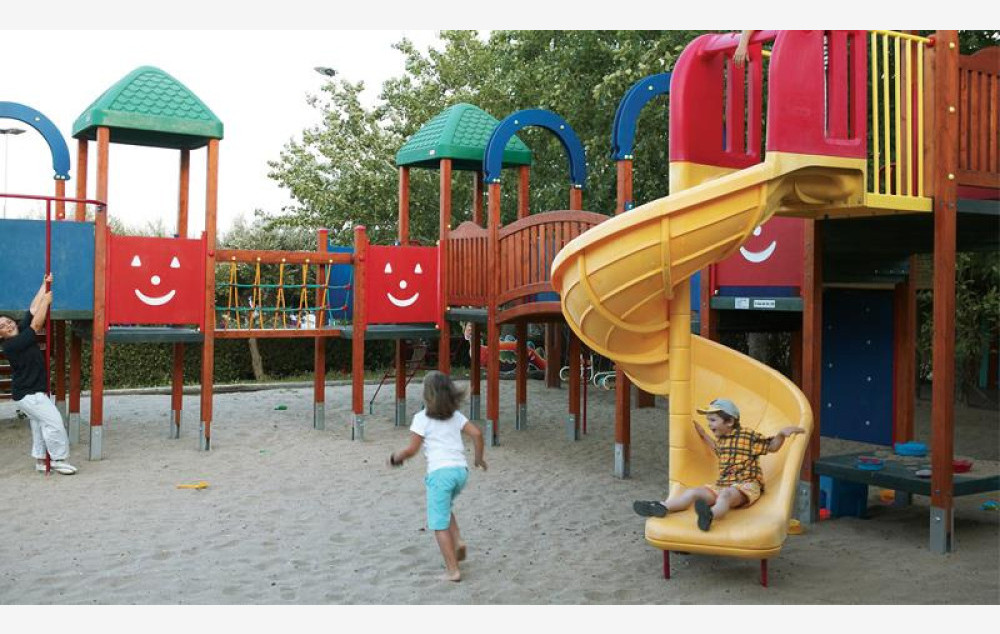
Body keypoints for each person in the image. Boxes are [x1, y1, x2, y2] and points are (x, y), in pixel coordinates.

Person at [632, 398, 802, 531]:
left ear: (729, 422)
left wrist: (781, 434)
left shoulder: (747, 436)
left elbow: (772, 447)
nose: (709, 424)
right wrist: (703, 434)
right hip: (723, 485)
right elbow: (716, 448)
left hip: (746, 485)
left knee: (726, 496)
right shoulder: (722, 441)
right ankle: (661, 506)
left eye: (713, 420)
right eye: (708, 420)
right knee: (693, 492)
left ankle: (710, 515)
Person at [389, 371, 486, 581]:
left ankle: (453, 570)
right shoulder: (456, 416)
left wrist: (398, 456)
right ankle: (458, 541)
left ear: (427, 395)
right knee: (445, 507)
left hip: (440, 475)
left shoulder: (421, 419)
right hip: (460, 472)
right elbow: (477, 434)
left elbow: (412, 450)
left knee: (438, 524)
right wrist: (478, 459)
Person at [0, 274, 77, 475]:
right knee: (54, 422)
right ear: (1, 335)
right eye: (2, 327)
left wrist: (44, 285)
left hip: (32, 391)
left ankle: (41, 460)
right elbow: (36, 325)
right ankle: (58, 459)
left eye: (8, 321)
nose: (8, 325)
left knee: (40, 424)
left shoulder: (20, 330)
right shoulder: (11, 345)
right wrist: (47, 301)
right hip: (29, 394)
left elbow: (33, 310)